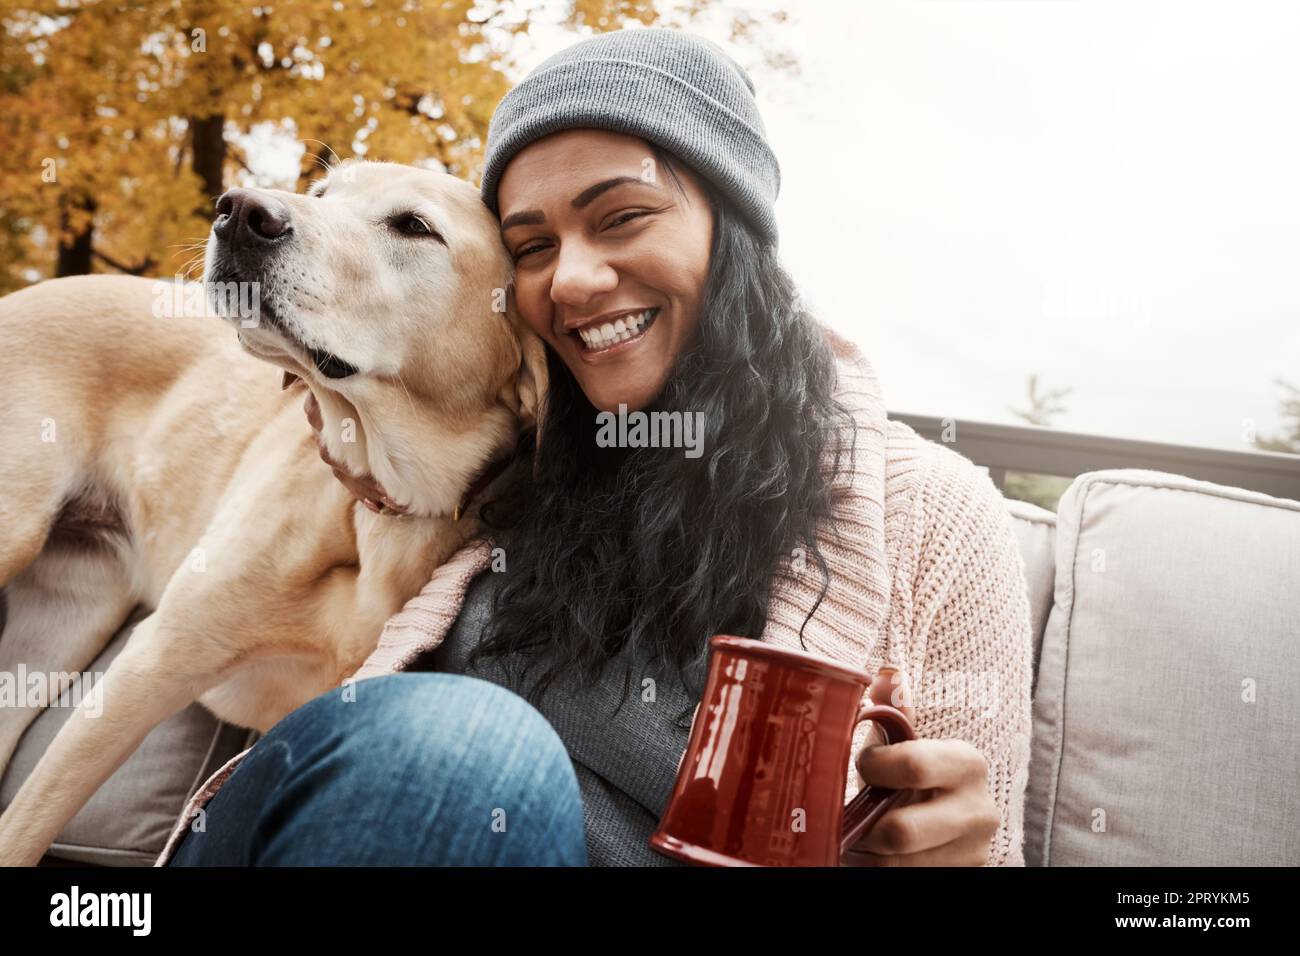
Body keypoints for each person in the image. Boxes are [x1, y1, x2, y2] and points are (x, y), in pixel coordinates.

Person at [165, 27, 1033, 868]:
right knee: (470, 746)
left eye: (621, 217)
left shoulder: (939, 518)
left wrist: (952, 858)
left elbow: (974, 841)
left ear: (730, 233)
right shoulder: (505, 445)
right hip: (378, 814)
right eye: (533, 245)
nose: (573, 279)